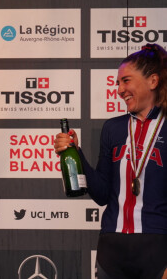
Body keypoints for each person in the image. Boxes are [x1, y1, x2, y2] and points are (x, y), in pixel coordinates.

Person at [55, 43, 167, 279]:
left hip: (157, 247)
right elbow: (102, 194)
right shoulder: (113, 128)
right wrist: (77, 154)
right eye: (118, 83)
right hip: (111, 248)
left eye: (126, 80)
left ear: (153, 81)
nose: (119, 89)